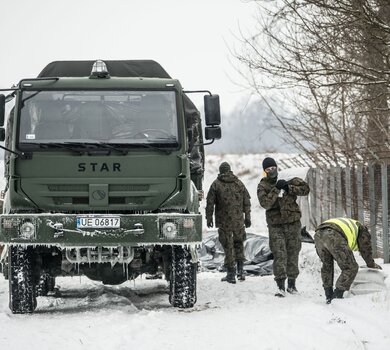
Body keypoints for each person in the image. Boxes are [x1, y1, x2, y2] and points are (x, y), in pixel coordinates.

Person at [257, 157, 310, 297]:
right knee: (279, 254)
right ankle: (280, 286)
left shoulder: (289, 178)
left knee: (293, 252)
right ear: (264, 172)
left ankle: (292, 285)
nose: (271, 171)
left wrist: (288, 187)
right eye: (268, 170)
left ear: (277, 168)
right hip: (276, 225)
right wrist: (276, 189)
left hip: (293, 223)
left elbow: (305, 189)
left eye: (273, 168)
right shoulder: (263, 186)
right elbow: (265, 204)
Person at [315, 217, 382, 304]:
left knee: (327, 266)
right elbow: (365, 249)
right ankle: (336, 297)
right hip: (334, 234)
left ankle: (328, 295)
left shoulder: (351, 224)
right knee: (351, 267)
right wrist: (371, 264)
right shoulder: (362, 229)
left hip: (318, 235)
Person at [206, 161, 251, 284]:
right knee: (238, 244)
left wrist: (208, 218)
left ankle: (231, 274)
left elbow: (210, 203)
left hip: (224, 222)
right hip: (238, 221)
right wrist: (248, 217)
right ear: (230, 170)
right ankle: (241, 271)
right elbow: (246, 201)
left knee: (228, 247)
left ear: (220, 171)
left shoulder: (216, 184)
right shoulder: (239, 183)